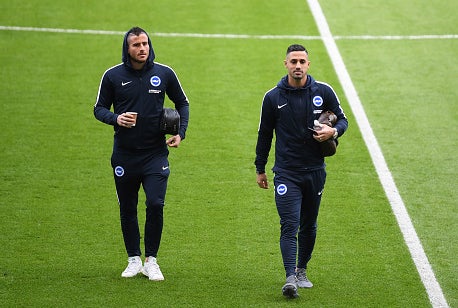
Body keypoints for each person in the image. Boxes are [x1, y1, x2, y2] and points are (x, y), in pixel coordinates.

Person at [94, 26, 189, 281]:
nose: (142, 48)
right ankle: (133, 259)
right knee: (127, 207)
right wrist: (116, 118)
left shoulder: (164, 73)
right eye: (136, 45)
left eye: (145, 43)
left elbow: (183, 102)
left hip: (155, 154)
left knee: (155, 203)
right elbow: (99, 108)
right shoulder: (113, 76)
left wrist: (181, 131)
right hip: (124, 155)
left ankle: (152, 260)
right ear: (128, 48)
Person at [254, 44, 348, 298]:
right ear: (285, 63)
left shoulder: (323, 91)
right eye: (293, 61)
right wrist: (260, 168)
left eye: (302, 61)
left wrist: (333, 131)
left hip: (316, 171)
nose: (297, 65)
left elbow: (343, 119)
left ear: (308, 64)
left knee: (309, 225)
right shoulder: (273, 97)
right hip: (286, 172)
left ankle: (302, 269)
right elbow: (265, 135)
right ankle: (290, 278)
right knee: (289, 224)